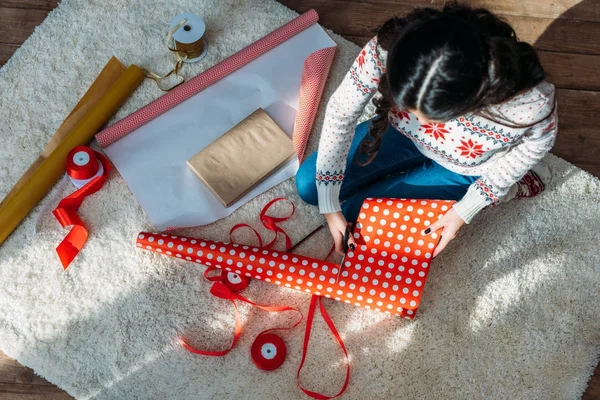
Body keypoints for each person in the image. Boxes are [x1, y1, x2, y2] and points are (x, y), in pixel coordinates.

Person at [296, 2, 557, 257]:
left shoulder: (531, 102)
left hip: (467, 166)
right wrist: (330, 204)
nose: (423, 125)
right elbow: (341, 111)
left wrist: (465, 210)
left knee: (358, 216)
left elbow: (533, 148)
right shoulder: (392, 47)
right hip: (400, 135)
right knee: (310, 186)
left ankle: (515, 186)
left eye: (432, 117)